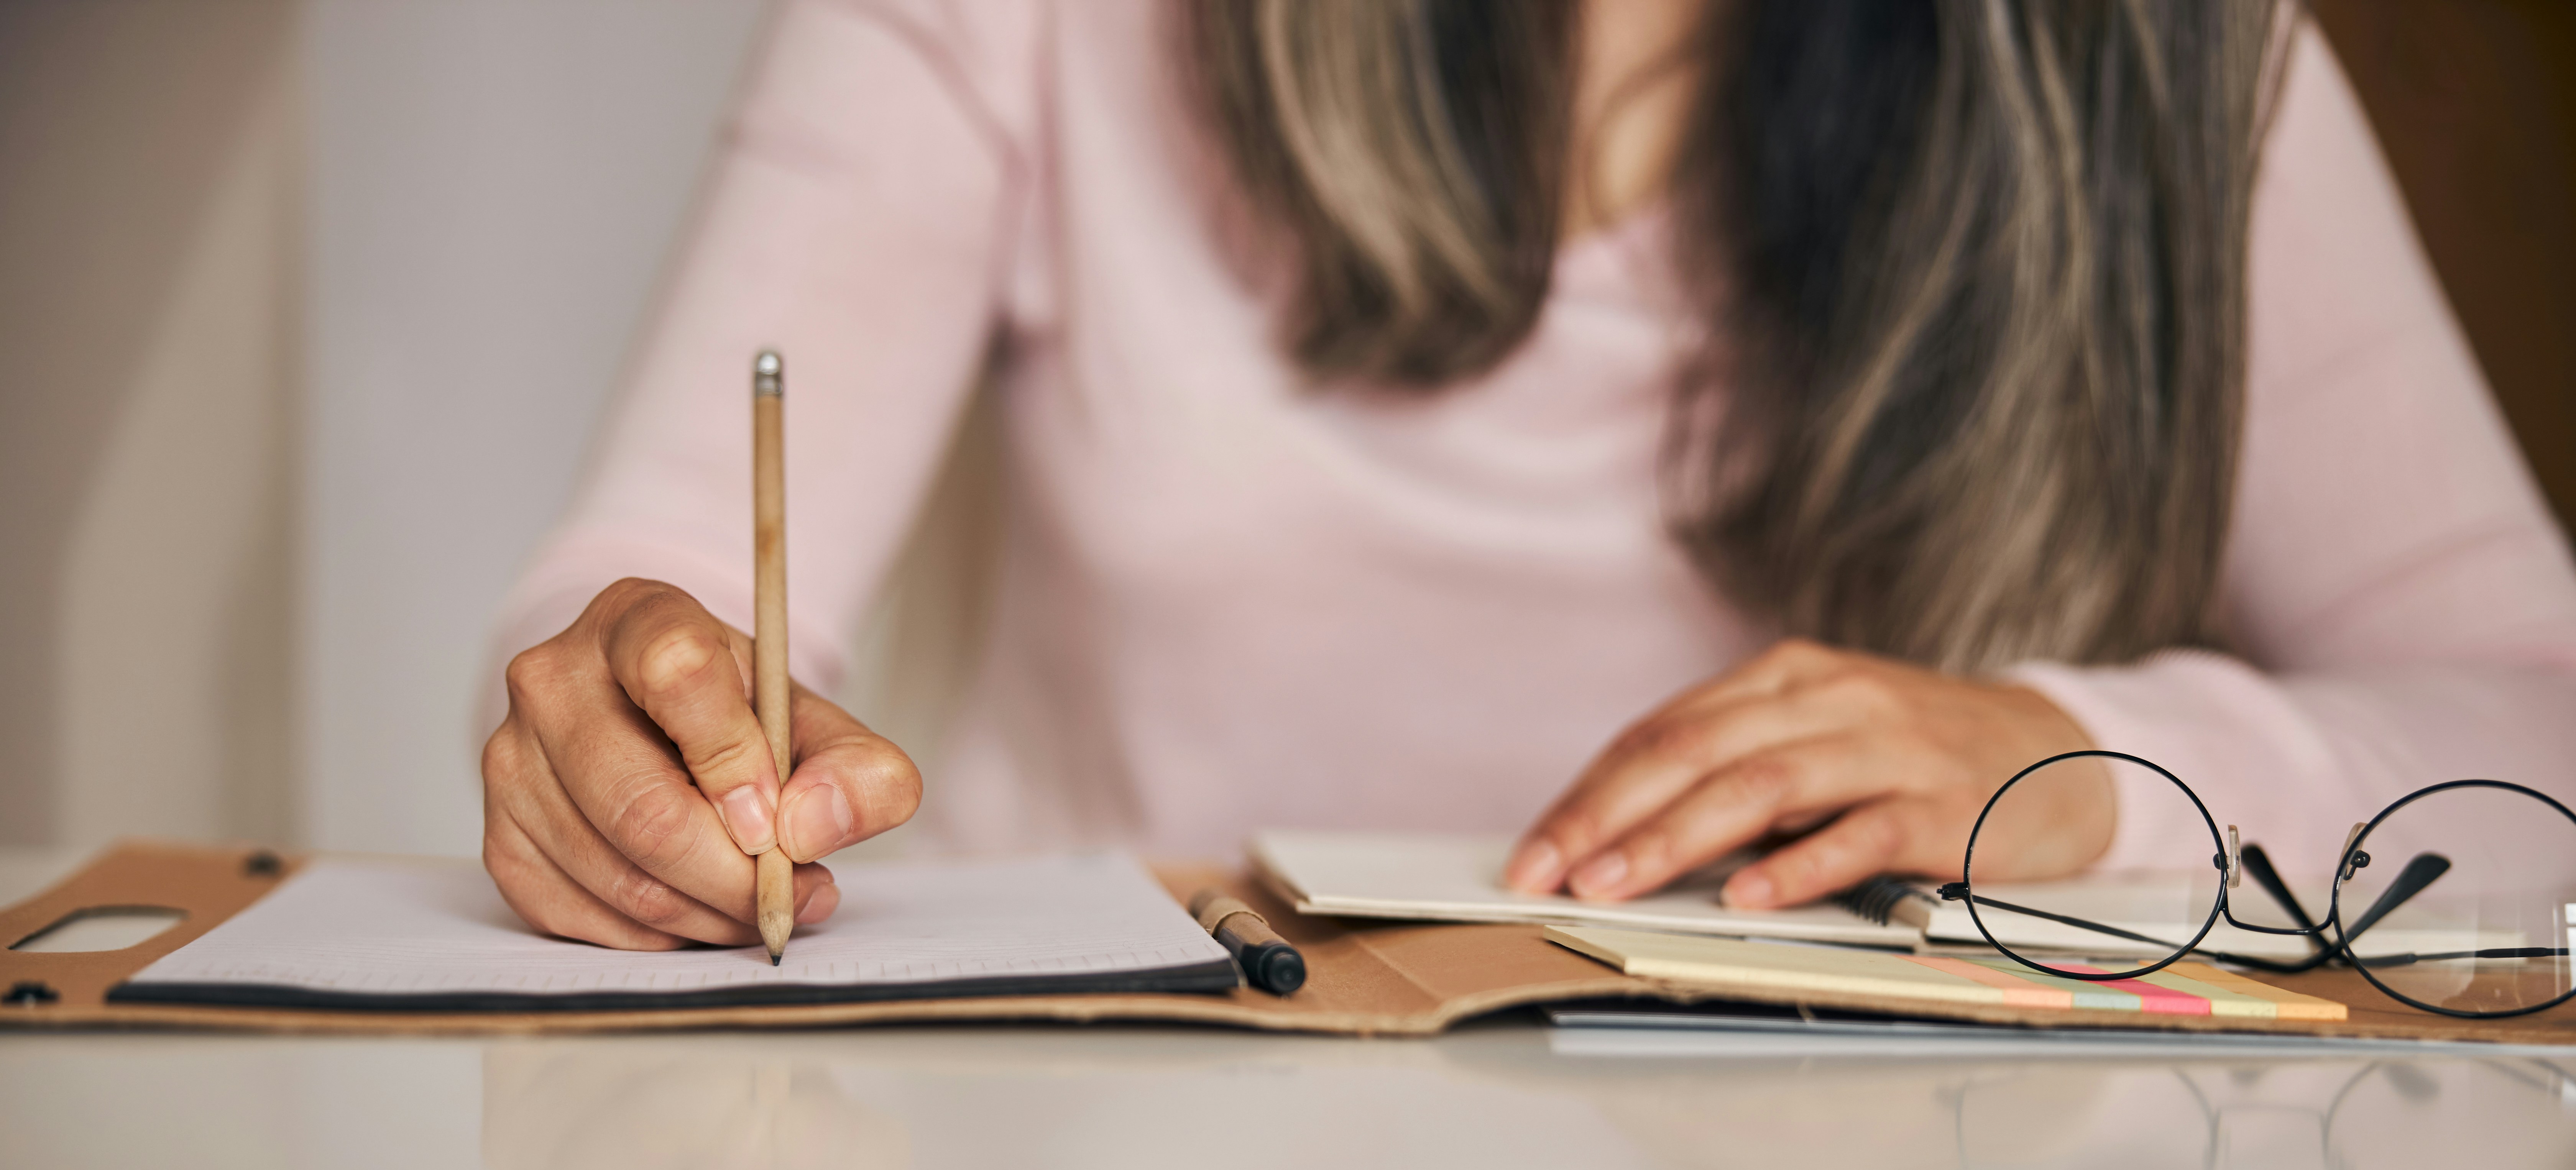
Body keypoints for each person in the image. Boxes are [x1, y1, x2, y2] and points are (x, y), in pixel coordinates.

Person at [481, 0, 2576, 952]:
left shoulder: (2168, 61)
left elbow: (2537, 720)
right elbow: (664, 576)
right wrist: (625, 706)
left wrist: (2069, 760)